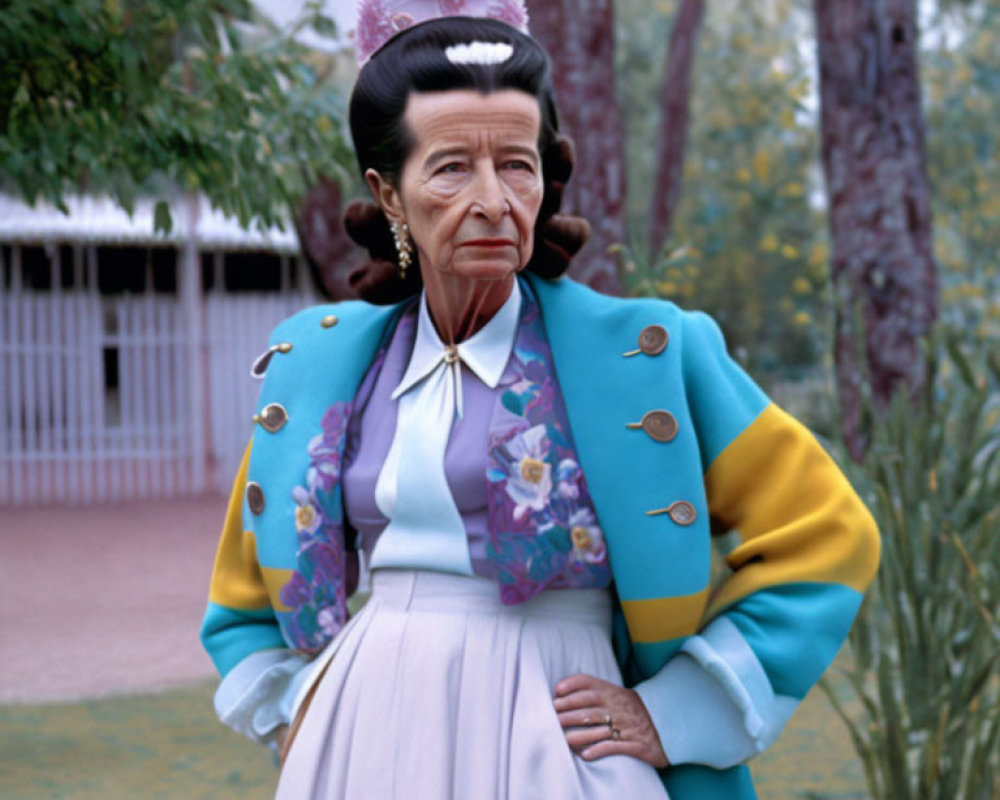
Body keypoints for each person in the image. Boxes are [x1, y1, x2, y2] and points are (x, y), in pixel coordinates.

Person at [200, 6, 880, 799]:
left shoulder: (651, 357)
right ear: (389, 194)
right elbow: (240, 593)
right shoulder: (316, 365)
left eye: (517, 166)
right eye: (452, 167)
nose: (493, 200)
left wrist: (676, 709)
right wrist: (294, 709)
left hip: (563, 737)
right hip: (364, 734)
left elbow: (826, 536)